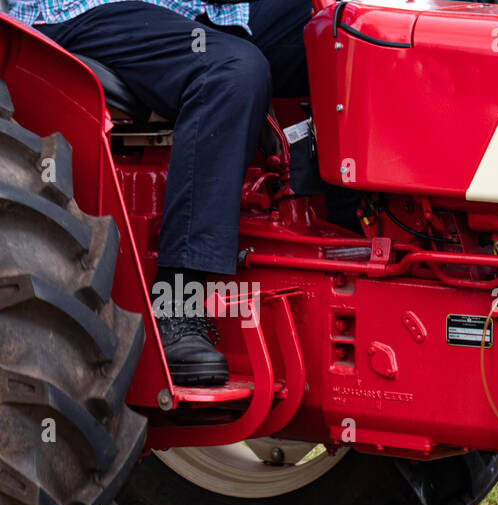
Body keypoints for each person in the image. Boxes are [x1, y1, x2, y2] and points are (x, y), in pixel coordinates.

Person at [7, 0, 314, 385]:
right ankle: (175, 304)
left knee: (348, 31)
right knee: (230, 71)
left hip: (196, 12)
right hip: (85, 11)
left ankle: (361, 241)